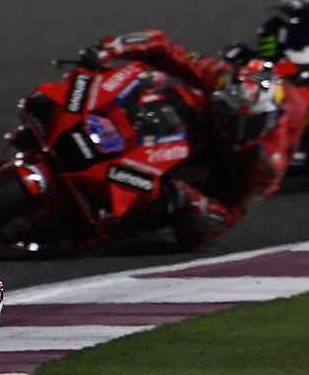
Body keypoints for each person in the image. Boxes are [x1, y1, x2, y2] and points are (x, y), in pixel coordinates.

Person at [87, 28, 308, 247]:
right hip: (210, 120)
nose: (239, 131)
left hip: (234, 161)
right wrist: (114, 47)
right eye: (231, 117)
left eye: (252, 124)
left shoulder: (269, 161)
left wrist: (196, 203)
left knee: (192, 230)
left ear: (270, 117)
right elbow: (164, 47)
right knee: (155, 83)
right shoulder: (218, 77)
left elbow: (227, 218)